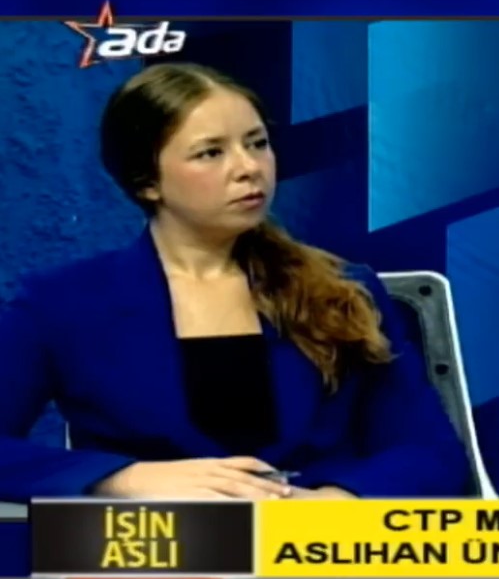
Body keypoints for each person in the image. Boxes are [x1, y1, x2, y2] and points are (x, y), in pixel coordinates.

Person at [0, 63, 470, 501]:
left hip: (314, 546)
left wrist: (335, 502)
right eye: (211, 153)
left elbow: (429, 452)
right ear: (147, 182)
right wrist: (123, 477)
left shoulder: (346, 288)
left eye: (257, 143)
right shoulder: (61, 304)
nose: (249, 168)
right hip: (161, 547)